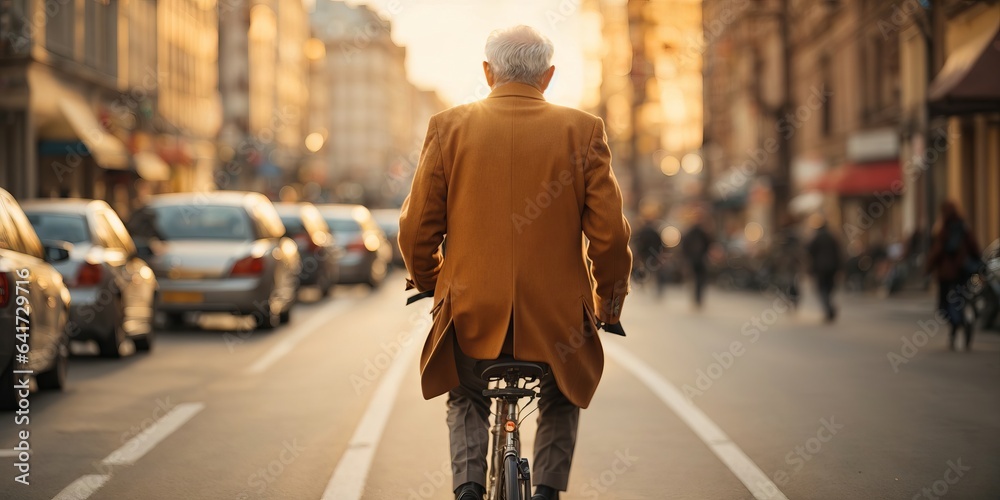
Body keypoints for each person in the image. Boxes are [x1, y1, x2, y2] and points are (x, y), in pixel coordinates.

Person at [398, 26, 632, 500]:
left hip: (470, 313)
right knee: (563, 397)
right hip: (557, 320)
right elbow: (609, 237)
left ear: (487, 72)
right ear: (548, 77)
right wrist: (609, 304)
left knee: (465, 396)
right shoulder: (583, 130)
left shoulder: (449, 127)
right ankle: (545, 491)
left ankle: (467, 489)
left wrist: (428, 280)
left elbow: (417, 227)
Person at [926, 201, 981, 350]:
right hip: (962, 271)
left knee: (943, 307)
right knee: (959, 301)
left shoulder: (942, 229)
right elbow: (974, 246)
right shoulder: (963, 227)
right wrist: (978, 261)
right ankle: (960, 324)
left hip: (945, 274)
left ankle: (957, 324)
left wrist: (928, 268)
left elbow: (936, 252)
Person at [806, 221, 842, 322]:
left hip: (820, 268)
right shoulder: (832, 237)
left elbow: (809, 250)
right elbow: (838, 253)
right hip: (832, 267)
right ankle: (829, 305)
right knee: (829, 288)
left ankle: (828, 307)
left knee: (821, 289)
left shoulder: (816, 237)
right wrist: (840, 268)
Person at [681, 215, 712, 307]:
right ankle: (697, 297)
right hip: (698, 258)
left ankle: (697, 297)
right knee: (699, 279)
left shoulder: (693, 232)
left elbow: (684, 245)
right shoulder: (701, 232)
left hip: (696, 259)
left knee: (696, 279)